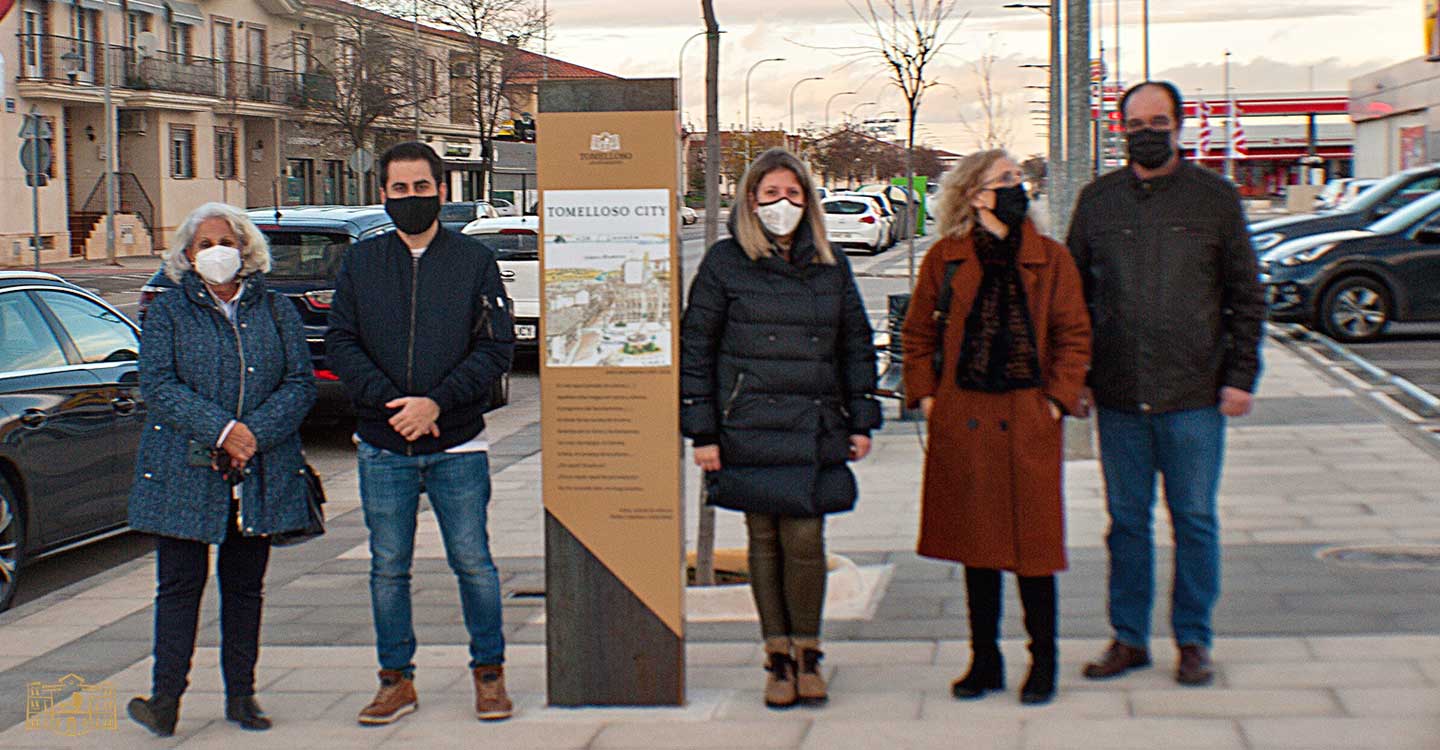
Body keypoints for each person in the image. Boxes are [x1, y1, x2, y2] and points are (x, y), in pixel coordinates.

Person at [1068, 81, 1265, 687]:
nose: (1146, 132)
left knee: (1195, 519)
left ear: (1178, 125)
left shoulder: (1215, 200)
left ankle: (1193, 641)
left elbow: (1246, 295)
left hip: (1194, 395)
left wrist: (1240, 376)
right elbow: (1071, 299)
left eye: (1158, 121)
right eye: (1134, 123)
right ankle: (1128, 639)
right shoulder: (1098, 202)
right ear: (1120, 128)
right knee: (1126, 523)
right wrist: (1075, 378)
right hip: (1121, 395)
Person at [681, 148, 882, 709]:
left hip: (814, 422)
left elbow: (855, 345)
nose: (782, 204)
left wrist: (863, 417)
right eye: (770, 195)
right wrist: (702, 433)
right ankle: (777, 657)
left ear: (808, 201)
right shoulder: (725, 262)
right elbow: (696, 349)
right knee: (763, 541)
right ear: (750, 201)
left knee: (806, 538)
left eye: (793, 194)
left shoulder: (830, 262)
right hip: (745, 424)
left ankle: (809, 653)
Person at [325, 142, 516, 724]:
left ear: (441, 190)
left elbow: (496, 347)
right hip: (383, 446)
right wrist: (394, 405)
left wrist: (436, 403)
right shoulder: (360, 263)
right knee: (388, 567)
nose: (412, 198)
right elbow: (340, 342)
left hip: (456, 441)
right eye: (400, 189)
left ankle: (489, 674)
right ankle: (395, 680)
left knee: (473, 562)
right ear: (383, 194)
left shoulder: (473, 262)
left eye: (422, 188)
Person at [900, 150, 1091, 706]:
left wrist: (1055, 401)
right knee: (976, 548)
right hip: (965, 420)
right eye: (1004, 180)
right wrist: (930, 399)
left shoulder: (1051, 258)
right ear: (974, 194)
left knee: (1034, 551)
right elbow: (917, 335)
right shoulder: (946, 258)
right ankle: (984, 660)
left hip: (1029, 418)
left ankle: (1044, 660)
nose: (1017, 188)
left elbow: (1074, 336)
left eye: (1018, 179)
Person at [126, 202, 317, 736]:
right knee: (179, 587)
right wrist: (222, 430)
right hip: (184, 469)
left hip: (257, 470)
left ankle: (242, 695)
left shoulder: (275, 310)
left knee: (245, 588)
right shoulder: (167, 311)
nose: (217, 253)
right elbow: (159, 385)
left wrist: (252, 433)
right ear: (187, 255)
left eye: (226, 242)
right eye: (205, 244)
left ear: (246, 249)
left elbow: (300, 382)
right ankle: (166, 700)